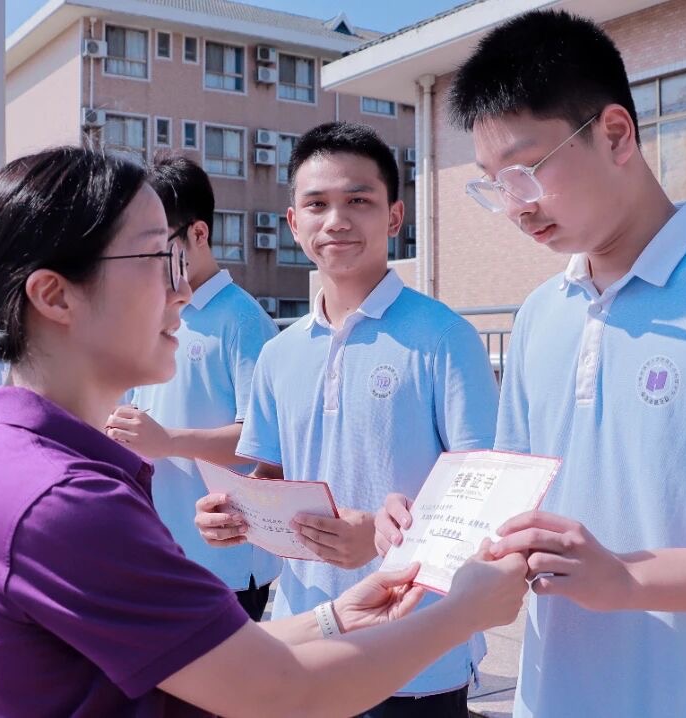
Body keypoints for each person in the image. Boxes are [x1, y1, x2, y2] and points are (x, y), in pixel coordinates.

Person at [0, 146, 528, 716]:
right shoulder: (61, 502)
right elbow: (280, 690)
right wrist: (463, 613)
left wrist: (339, 615)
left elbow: (217, 657)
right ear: (56, 296)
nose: (182, 289)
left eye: (177, 258)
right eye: (157, 259)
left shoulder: (35, 471)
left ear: (394, 216)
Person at [375, 11, 686, 717]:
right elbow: (513, 511)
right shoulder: (542, 314)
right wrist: (429, 527)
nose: (516, 207)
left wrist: (628, 579)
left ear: (614, 134)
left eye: (525, 172)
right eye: (493, 184)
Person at [193, 122, 503, 716]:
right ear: (293, 223)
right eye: (317, 204)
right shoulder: (280, 353)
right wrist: (238, 513)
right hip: (307, 637)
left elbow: (485, 496)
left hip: (417, 654)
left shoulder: (444, 338)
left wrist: (383, 540)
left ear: (394, 216)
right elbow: (274, 475)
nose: (336, 220)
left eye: (358, 200)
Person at [106, 155, 281, 621]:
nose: (148, 260)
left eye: (158, 244)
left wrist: (166, 441)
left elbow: (263, 442)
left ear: (198, 233)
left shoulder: (243, 320)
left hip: (225, 559)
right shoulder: (154, 316)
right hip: (162, 550)